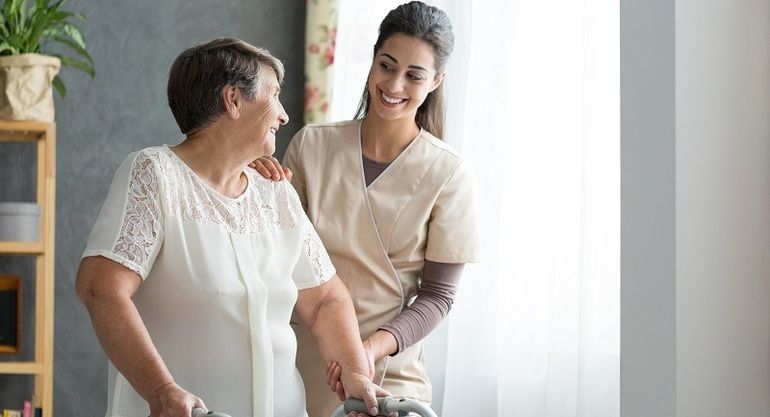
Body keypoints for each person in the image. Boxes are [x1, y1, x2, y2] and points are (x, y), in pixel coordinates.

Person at [75, 38, 388, 417]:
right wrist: (161, 392)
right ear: (233, 100)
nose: (284, 116)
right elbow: (100, 288)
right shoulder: (155, 175)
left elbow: (325, 300)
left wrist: (355, 372)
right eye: (273, 95)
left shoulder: (275, 193)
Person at [253, 2, 480, 416]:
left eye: (414, 75)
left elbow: (438, 297)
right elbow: (274, 254)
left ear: (437, 81)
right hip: (304, 362)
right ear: (373, 62)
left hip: (389, 370)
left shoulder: (449, 174)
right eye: (386, 66)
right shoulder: (312, 146)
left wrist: (368, 348)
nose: (394, 84)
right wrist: (256, 186)